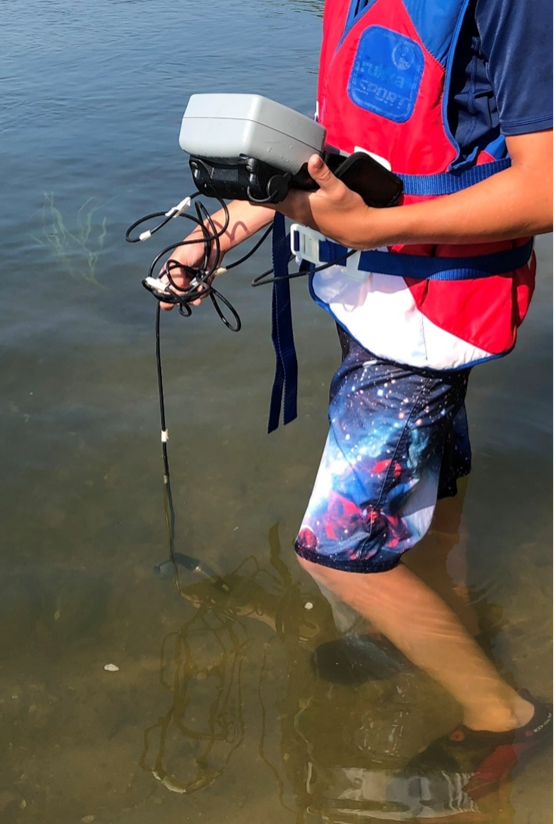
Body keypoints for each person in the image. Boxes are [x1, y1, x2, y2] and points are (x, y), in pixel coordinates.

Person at [162, 0, 554, 795]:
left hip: (434, 310)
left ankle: (504, 714)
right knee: (433, 501)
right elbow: (334, 149)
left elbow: (545, 188)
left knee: (340, 553)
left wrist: (375, 230)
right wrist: (224, 228)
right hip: (371, 297)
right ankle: (437, 626)